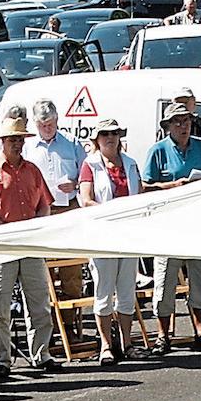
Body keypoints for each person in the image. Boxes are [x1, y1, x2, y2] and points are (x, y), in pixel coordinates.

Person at [0, 116, 58, 379]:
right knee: (1, 306)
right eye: (13, 139)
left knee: (39, 301)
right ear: (2, 142)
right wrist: (9, 232)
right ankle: (2, 358)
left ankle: (41, 354)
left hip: (29, 244)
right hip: (3, 245)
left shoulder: (32, 170)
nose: (17, 144)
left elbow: (45, 203)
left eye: (20, 139)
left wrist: (36, 227)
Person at [142, 104, 201, 354]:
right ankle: (163, 336)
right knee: (165, 281)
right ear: (167, 127)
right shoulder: (158, 151)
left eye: (186, 121)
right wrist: (174, 186)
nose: (183, 126)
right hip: (168, 225)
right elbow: (145, 187)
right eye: (177, 122)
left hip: (198, 223)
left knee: (200, 279)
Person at [77, 118, 141, 365]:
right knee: (103, 289)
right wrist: (111, 211)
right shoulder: (90, 165)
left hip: (128, 234)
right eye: (104, 134)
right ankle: (105, 345)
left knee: (126, 289)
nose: (110, 138)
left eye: (114, 133)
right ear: (97, 140)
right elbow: (85, 199)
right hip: (102, 235)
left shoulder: (131, 163)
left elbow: (139, 194)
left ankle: (126, 342)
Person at [24, 99, 82, 213]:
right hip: (38, 209)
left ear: (57, 119)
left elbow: (86, 173)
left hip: (70, 207)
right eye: (42, 125)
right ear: (35, 123)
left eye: (50, 124)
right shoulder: (27, 146)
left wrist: (75, 184)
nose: (47, 129)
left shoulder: (72, 142)